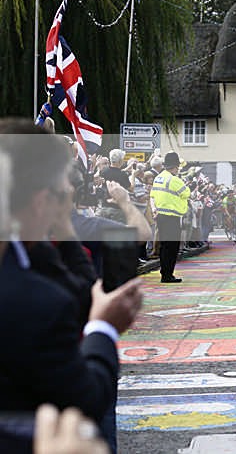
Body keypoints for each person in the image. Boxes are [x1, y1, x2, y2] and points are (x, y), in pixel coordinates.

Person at [0, 121, 142, 436]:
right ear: (40, 201)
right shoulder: (39, 303)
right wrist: (104, 329)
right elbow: (87, 397)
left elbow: (79, 293)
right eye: (57, 191)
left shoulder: (27, 253)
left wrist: (63, 228)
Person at [150, 151, 189, 283]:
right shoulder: (174, 180)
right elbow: (186, 193)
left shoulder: (159, 178)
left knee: (164, 246)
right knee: (172, 247)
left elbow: (153, 195)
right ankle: (168, 275)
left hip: (161, 215)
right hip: (172, 217)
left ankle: (164, 273)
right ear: (175, 167)